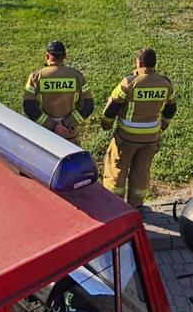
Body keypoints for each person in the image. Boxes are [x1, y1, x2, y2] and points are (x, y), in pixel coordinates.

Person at [101, 48, 176, 208]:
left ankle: (115, 207)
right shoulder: (165, 84)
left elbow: (112, 107)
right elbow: (171, 109)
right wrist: (163, 125)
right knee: (141, 173)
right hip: (151, 139)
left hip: (126, 138)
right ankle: (136, 207)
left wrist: (106, 124)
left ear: (139, 63)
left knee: (116, 172)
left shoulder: (129, 83)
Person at [22, 40, 93, 143]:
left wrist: (53, 126)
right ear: (65, 56)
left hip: (44, 134)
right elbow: (88, 106)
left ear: (47, 56)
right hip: (69, 133)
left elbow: (29, 107)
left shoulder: (36, 77)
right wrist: (65, 124)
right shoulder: (77, 76)